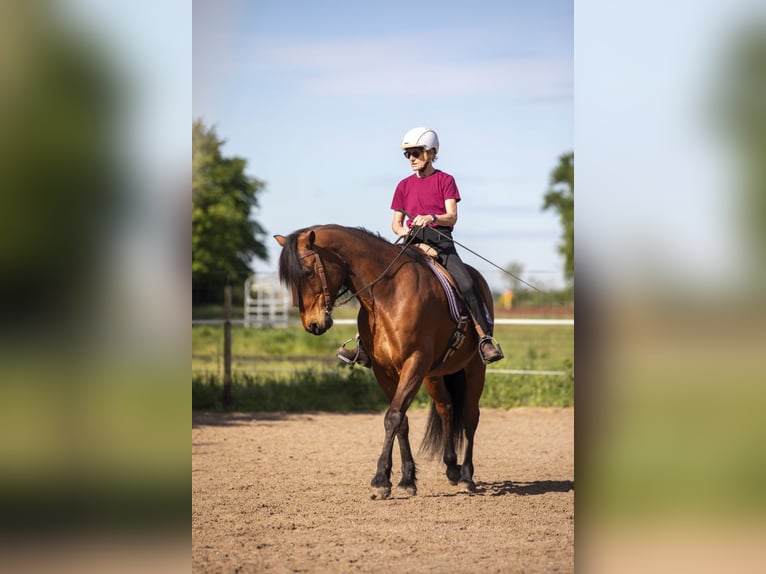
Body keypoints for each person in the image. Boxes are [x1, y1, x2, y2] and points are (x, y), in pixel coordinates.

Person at [337, 127, 504, 367]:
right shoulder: (403, 186)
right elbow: (395, 223)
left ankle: (484, 338)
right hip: (411, 244)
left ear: (432, 153)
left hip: (441, 244)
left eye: (416, 152)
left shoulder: (445, 180)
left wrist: (432, 217)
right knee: (377, 286)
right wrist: (401, 230)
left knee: (467, 284)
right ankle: (363, 345)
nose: (412, 158)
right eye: (408, 154)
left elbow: (452, 216)